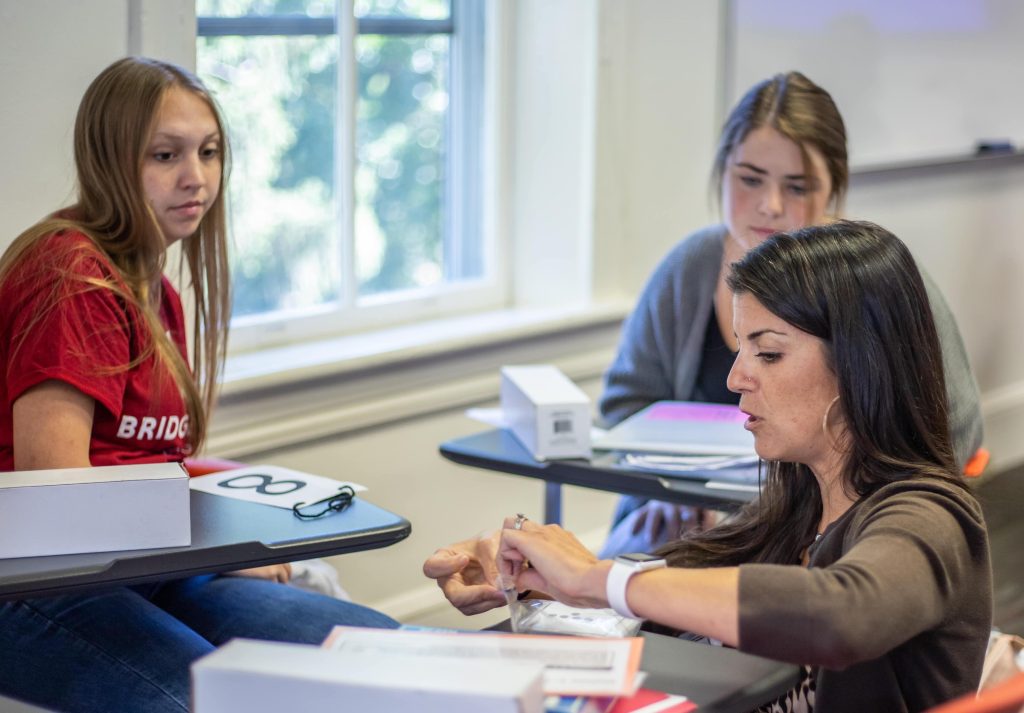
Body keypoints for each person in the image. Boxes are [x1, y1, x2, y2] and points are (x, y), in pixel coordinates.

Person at [429, 221, 993, 712]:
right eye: (742, 349)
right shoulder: (796, 507)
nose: (735, 377)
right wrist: (542, 579)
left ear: (860, 364)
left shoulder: (930, 515)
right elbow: (667, 593)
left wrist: (595, 578)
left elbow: (840, 615)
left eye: (768, 353)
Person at [0, 57, 397, 713]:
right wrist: (218, 548)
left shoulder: (152, 287)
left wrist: (217, 549)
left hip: (138, 572)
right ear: (110, 161)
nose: (197, 178)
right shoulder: (71, 275)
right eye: (165, 155)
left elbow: (154, 466)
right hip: (36, 588)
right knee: (225, 701)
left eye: (209, 153)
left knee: (379, 655)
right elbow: (59, 508)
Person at [598, 71, 983, 557]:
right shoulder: (689, 268)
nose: (770, 205)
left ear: (833, 190)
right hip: (690, 521)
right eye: (750, 179)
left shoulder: (877, 279)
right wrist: (665, 492)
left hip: (832, 537)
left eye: (797, 186)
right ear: (722, 172)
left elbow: (952, 432)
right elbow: (624, 409)